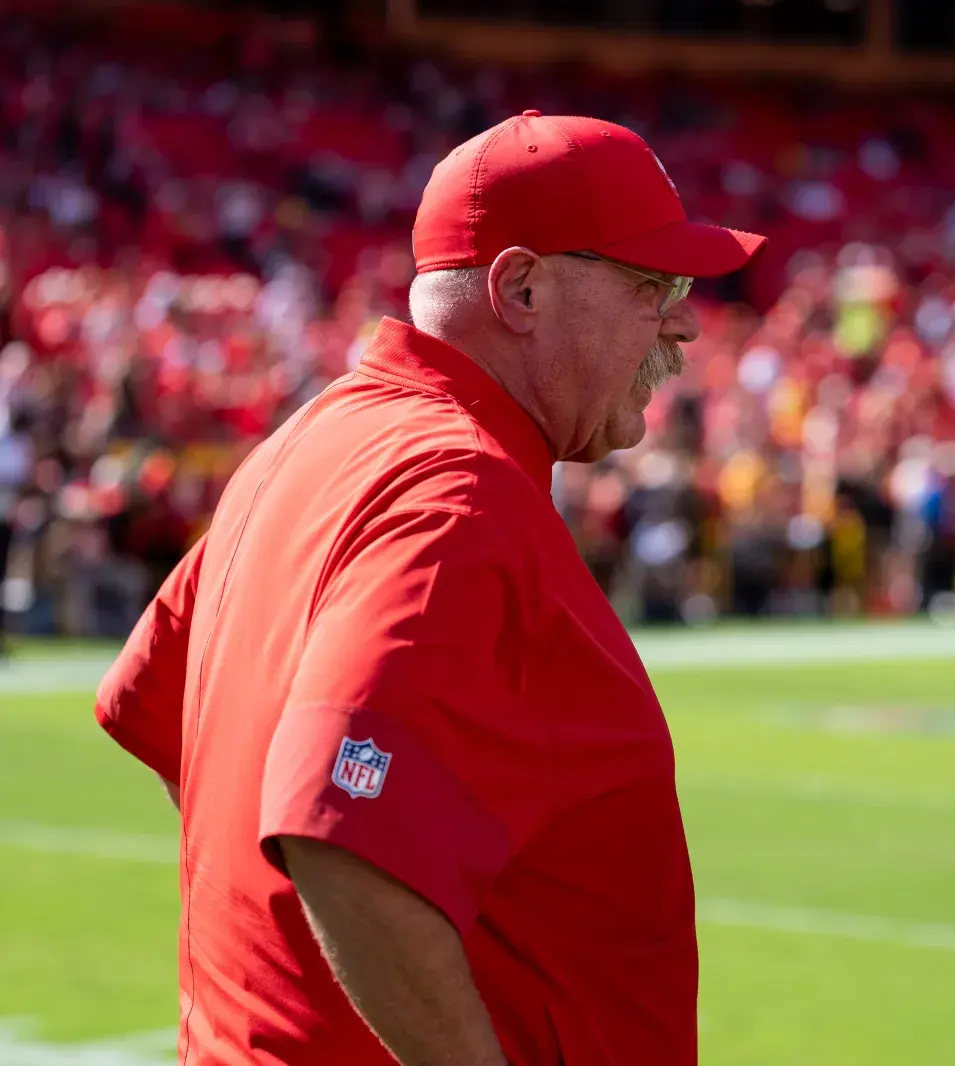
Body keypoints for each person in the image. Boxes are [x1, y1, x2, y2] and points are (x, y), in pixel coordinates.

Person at [93, 110, 765, 1066]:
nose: (686, 322)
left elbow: (174, 735)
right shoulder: (458, 492)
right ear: (522, 287)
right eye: (652, 284)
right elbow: (337, 827)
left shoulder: (313, 436)